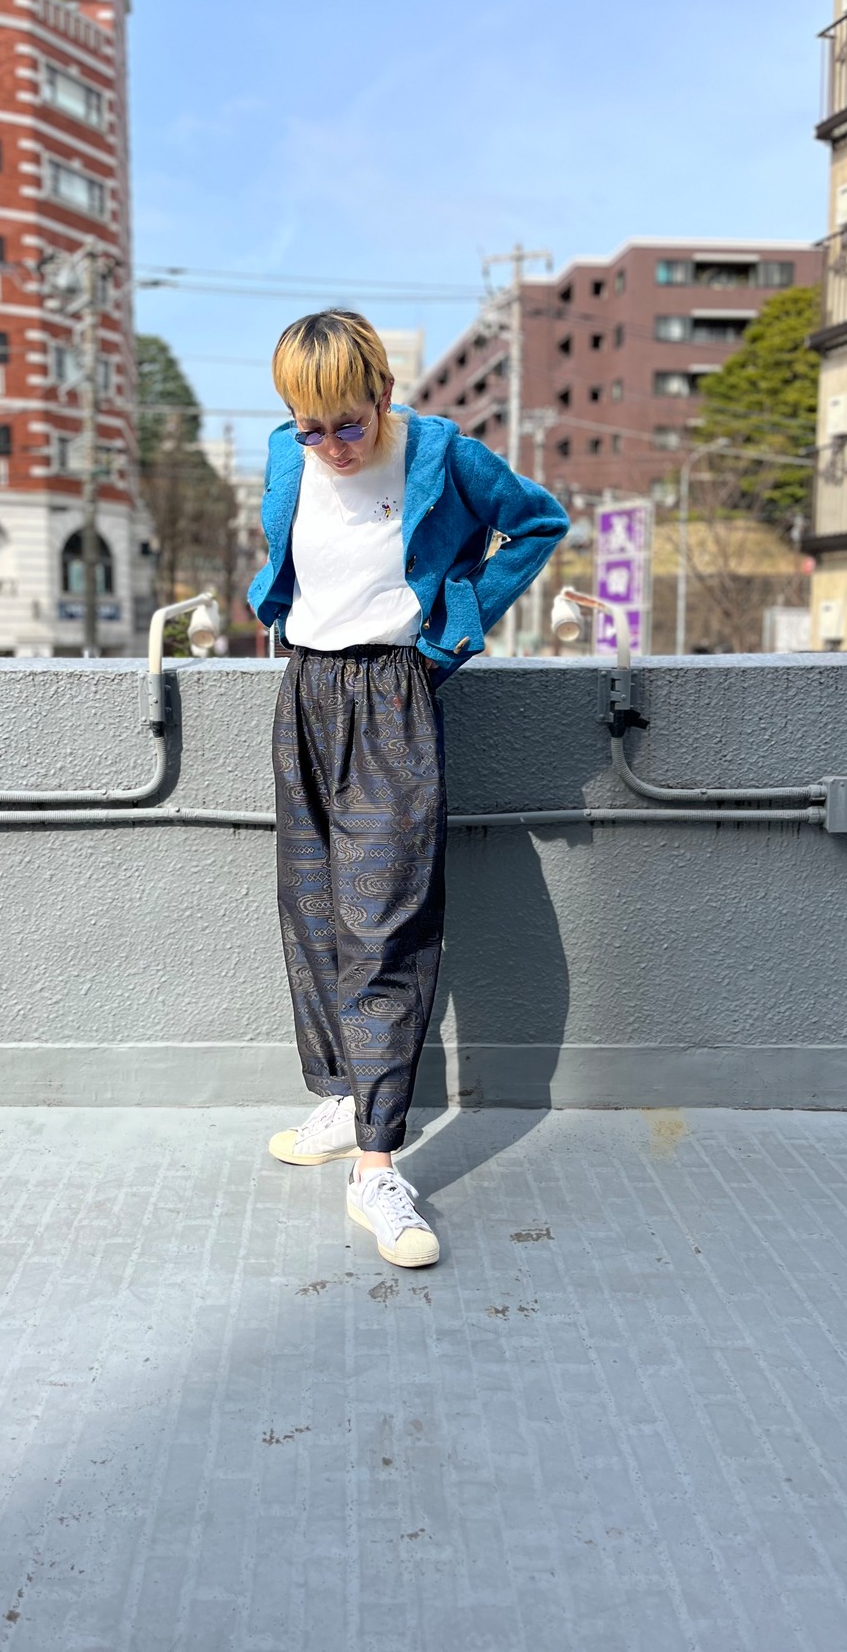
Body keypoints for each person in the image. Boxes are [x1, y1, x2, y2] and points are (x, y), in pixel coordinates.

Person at [248, 309, 569, 1268]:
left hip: (394, 694)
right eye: (310, 428)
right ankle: (344, 1097)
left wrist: (453, 627)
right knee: (312, 906)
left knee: (385, 920)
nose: (330, 446)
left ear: (384, 393)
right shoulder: (288, 457)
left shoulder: (440, 455)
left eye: (348, 423)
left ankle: (377, 1163)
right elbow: (291, 549)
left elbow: (538, 521)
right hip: (305, 690)